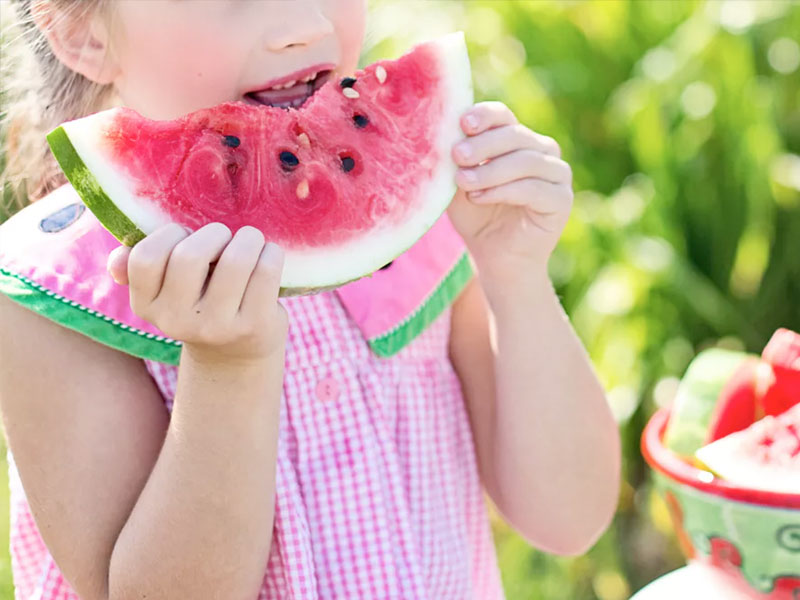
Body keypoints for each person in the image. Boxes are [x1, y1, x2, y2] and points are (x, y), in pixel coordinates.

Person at [0, 1, 621, 598]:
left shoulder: (427, 214)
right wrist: (227, 371)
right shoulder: (55, 297)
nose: (305, 25)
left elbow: (569, 518)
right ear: (84, 34)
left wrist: (516, 277)